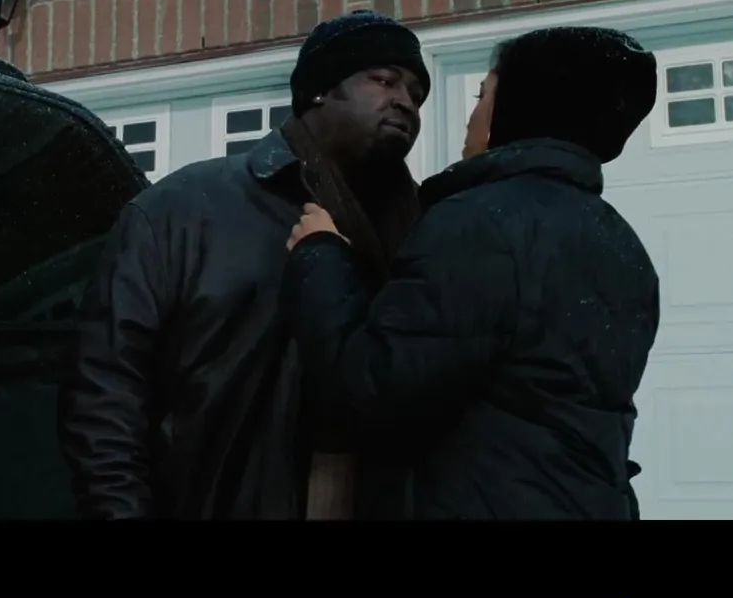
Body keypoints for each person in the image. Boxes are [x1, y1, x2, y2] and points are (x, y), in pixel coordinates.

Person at [58, 10, 430, 519]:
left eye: (416, 93)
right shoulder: (186, 208)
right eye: (384, 80)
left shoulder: (426, 233)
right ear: (320, 91)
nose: (405, 101)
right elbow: (106, 391)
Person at [280, 26, 660, 520]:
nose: (470, 117)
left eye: (483, 97)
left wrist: (320, 258)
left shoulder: (480, 226)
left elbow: (373, 391)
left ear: (521, 108)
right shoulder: (620, 242)